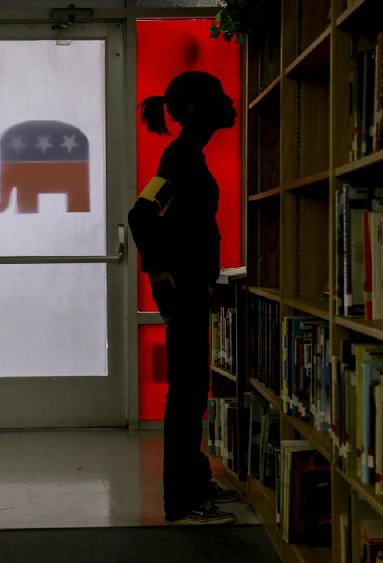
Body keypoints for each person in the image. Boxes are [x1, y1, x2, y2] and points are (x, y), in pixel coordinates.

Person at [128, 71, 239, 525]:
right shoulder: (179, 158)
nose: (229, 103)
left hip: (191, 289)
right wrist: (159, 268)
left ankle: (193, 481)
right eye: (218, 97)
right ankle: (182, 501)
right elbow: (140, 215)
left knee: (193, 391)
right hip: (183, 293)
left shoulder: (188, 154)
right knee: (187, 394)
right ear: (193, 109)